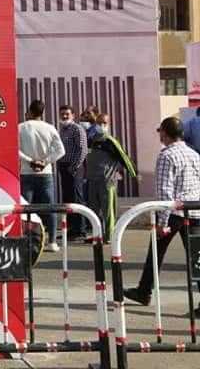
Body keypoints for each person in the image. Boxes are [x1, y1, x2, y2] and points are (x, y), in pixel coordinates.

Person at [123, 116, 200, 315]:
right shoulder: (193, 154)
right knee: (197, 258)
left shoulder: (167, 156)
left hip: (174, 212)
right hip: (194, 210)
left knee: (156, 251)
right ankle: (143, 290)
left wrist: (162, 221)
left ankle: (144, 291)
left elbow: (164, 191)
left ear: (164, 133)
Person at [19, 100, 65, 252]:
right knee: (50, 207)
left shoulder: (21, 127)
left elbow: (15, 149)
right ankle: (52, 241)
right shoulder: (50, 128)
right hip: (45, 173)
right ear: (42, 112)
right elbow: (60, 151)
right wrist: (45, 161)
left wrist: (30, 161)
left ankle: (27, 240)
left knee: (26, 208)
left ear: (30, 112)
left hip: (26, 172)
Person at [85, 114, 136, 242]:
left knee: (108, 211)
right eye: (99, 123)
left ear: (108, 124)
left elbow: (124, 158)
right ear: (95, 124)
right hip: (92, 181)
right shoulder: (91, 140)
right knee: (93, 211)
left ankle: (109, 236)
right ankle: (97, 235)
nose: (102, 126)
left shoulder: (110, 141)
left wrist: (134, 173)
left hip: (107, 181)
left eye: (104, 123)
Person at [58, 105, 88, 241]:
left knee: (77, 198)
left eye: (67, 114)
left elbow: (83, 150)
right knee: (68, 198)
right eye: (62, 114)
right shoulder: (62, 130)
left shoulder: (77, 129)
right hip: (64, 167)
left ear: (73, 115)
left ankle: (80, 230)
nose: (64, 116)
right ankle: (71, 229)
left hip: (74, 168)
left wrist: (74, 166)